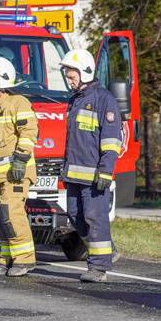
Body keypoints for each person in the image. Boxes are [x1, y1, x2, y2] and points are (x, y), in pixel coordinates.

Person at [59, 49, 122, 282]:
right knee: (75, 216)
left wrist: (106, 170)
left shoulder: (104, 99)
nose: (69, 79)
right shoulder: (76, 100)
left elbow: (112, 140)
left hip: (95, 175)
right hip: (73, 174)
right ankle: (106, 250)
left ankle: (99, 267)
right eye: (67, 75)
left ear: (84, 72)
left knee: (95, 218)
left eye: (71, 75)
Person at [0, 57, 39, 277]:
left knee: (11, 214)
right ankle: (6, 257)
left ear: (2, 80)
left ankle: (25, 259)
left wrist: (20, 160)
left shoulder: (18, 103)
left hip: (15, 172)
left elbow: (29, 132)